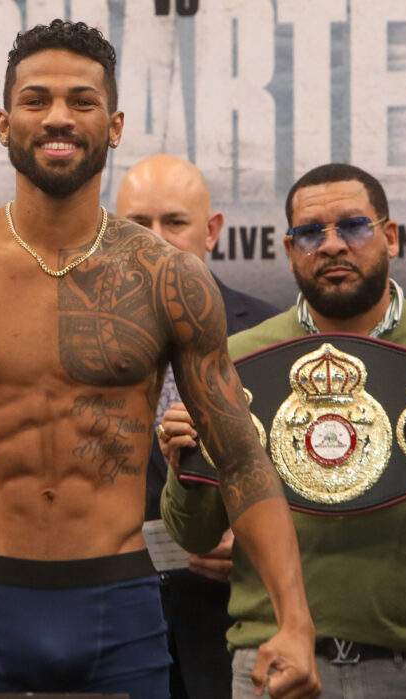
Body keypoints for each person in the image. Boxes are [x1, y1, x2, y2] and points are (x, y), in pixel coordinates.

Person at [0, 20, 320, 699]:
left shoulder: (167, 277)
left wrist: (294, 620)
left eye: (82, 100)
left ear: (113, 126)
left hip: (118, 602)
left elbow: (240, 457)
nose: (58, 116)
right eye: (37, 99)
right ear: (4, 122)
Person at [161, 162, 406, 698]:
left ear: (391, 236)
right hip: (274, 660)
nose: (331, 246)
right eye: (310, 232)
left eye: (353, 226)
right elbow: (193, 535)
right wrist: (185, 463)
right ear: (289, 251)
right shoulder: (239, 358)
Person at [116, 154, 278, 698]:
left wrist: (257, 544)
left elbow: (315, 478)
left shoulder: (275, 338)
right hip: (117, 631)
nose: (157, 240)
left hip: (233, 627)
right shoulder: (77, 345)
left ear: (212, 231)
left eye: (175, 222)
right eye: (137, 226)